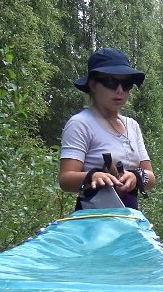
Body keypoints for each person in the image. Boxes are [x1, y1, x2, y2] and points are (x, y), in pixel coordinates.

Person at [59, 47, 156, 210]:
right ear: (93, 84)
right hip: (93, 220)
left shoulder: (132, 125)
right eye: (111, 82)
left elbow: (151, 178)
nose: (119, 90)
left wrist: (136, 177)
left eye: (126, 84)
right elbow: (65, 179)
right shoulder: (81, 123)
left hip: (128, 218)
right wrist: (92, 176)